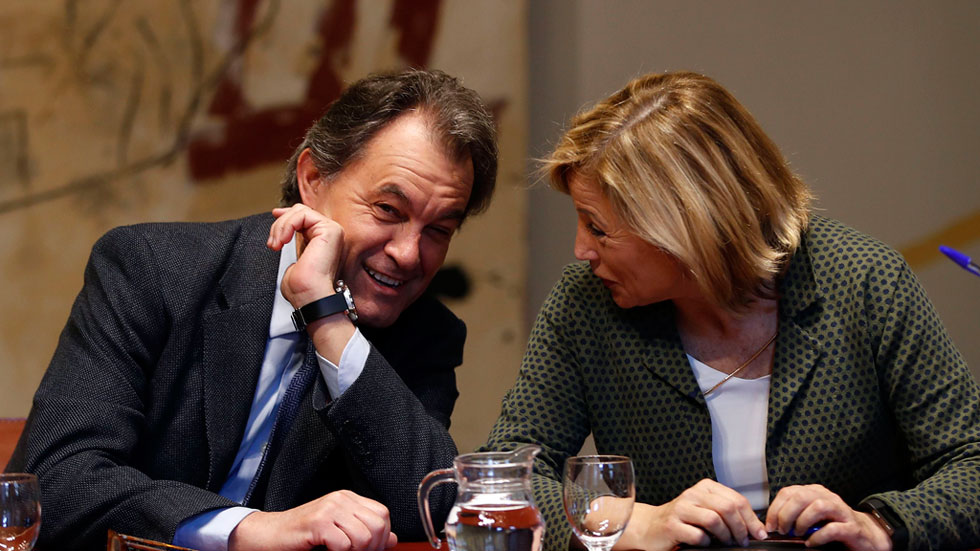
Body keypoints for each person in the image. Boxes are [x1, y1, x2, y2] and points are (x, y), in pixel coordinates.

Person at [482, 71, 980, 551]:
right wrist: (634, 521)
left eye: (598, 227)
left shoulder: (864, 282)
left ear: (685, 226)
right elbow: (500, 482)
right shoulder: (584, 306)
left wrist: (879, 525)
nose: (581, 250)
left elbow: (970, 461)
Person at [7, 68, 498, 551]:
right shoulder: (151, 269)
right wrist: (248, 529)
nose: (409, 254)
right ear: (312, 179)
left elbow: (430, 509)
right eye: (388, 210)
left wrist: (329, 320)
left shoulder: (425, 334)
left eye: (439, 230)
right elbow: (57, 482)